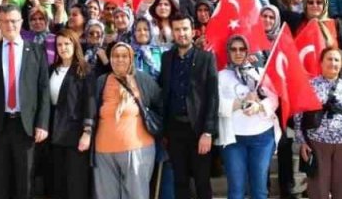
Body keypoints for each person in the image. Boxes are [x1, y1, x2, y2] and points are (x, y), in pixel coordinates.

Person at [0, 3, 50, 199]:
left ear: (21, 22)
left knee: (25, 183)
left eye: (14, 21)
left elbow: (43, 89)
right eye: (5, 21)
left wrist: (42, 123)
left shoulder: (36, 50)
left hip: (26, 127)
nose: (10, 25)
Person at [86, 42, 160, 199]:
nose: (120, 60)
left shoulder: (142, 79)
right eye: (116, 56)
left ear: (131, 58)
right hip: (103, 152)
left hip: (137, 149)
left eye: (124, 56)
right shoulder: (101, 81)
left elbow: (161, 105)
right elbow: (92, 110)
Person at [294, 47, 342, 199]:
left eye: (337, 60)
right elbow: (298, 118)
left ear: (341, 64)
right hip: (317, 144)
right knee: (318, 191)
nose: (333, 63)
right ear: (321, 62)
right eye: (329, 59)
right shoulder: (310, 85)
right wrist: (302, 142)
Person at [160, 16, 218, 199]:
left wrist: (208, 132)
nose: (181, 34)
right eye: (177, 30)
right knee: (180, 182)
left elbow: (212, 97)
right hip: (174, 130)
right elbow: (164, 92)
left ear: (192, 32)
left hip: (198, 131)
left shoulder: (206, 58)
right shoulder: (166, 57)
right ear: (173, 33)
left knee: (202, 182)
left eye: (185, 29)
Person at [217, 34, 279, 199]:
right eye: (234, 49)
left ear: (248, 51)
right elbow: (216, 105)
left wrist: (259, 106)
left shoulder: (259, 73)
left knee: (259, 190)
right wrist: (241, 103)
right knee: (236, 190)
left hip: (262, 138)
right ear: (228, 52)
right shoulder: (221, 76)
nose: (238, 53)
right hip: (233, 140)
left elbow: (274, 99)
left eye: (242, 49)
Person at [47, 28, 93, 199]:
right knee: (58, 183)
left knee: (76, 184)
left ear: (74, 45)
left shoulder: (85, 70)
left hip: (75, 135)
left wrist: (87, 131)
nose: (63, 47)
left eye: (67, 44)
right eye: (59, 44)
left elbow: (90, 103)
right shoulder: (52, 69)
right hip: (54, 134)